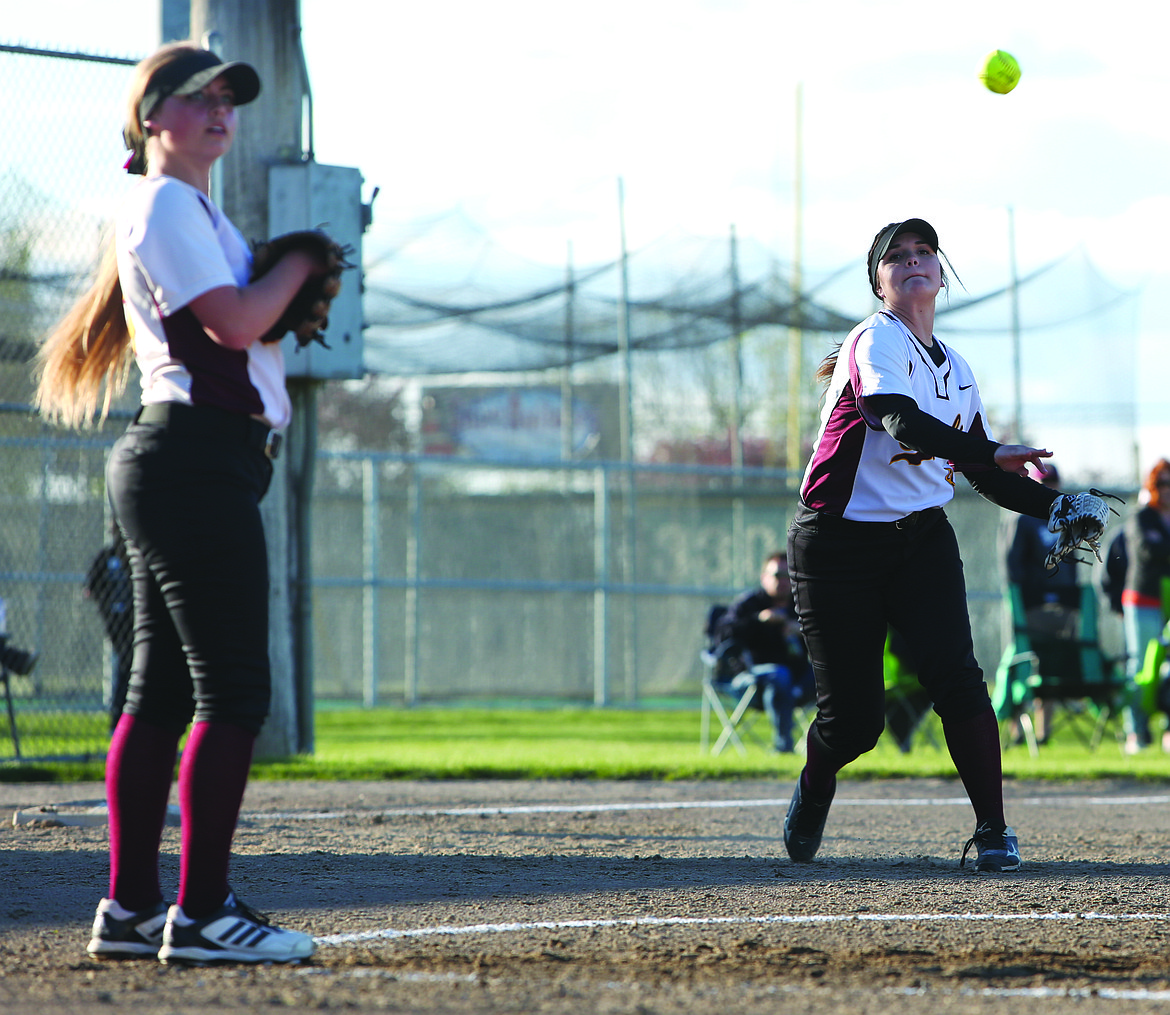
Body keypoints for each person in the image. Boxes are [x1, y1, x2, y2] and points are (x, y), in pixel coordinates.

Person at [35, 43, 323, 964]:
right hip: (195, 461)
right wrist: (304, 262)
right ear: (151, 117)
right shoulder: (162, 200)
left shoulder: (185, 208)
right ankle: (199, 913)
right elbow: (234, 322)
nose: (222, 110)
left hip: (186, 461)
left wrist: (278, 294)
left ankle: (129, 908)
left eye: (229, 98)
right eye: (199, 97)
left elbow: (243, 323)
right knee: (233, 691)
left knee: (158, 692)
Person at [784, 218, 1105, 873]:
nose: (912, 261)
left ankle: (994, 830)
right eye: (895, 256)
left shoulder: (956, 369)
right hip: (837, 544)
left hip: (920, 538)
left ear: (939, 271)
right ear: (879, 282)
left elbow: (985, 474)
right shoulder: (874, 339)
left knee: (958, 679)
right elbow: (901, 421)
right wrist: (986, 450)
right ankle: (816, 780)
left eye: (923, 251)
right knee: (855, 725)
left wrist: (1056, 506)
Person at [1002, 464, 1079, 744]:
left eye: (1055, 482)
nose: (1052, 487)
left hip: (1062, 608)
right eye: (1045, 483)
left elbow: (1072, 563)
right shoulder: (1023, 519)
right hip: (1030, 609)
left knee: (1052, 666)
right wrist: (1023, 602)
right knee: (1021, 663)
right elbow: (1013, 565)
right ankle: (1016, 727)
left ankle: (1043, 731)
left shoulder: (1068, 519)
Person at [716, 552, 814, 752]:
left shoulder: (802, 606)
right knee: (779, 675)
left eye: (789, 576)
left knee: (836, 677)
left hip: (797, 682)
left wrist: (804, 631)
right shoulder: (749, 604)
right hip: (750, 682)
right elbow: (722, 634)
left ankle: (831, 750)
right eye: (777, 575)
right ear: (764, 578)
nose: (783, 581)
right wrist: (758, 620)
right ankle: (783, 747)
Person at [1119, 459, 1170, 753]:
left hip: (1168, 602)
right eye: (1161, 483)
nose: (1166, 490)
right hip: (1144, 601)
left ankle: (1166, 730)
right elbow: (1148, 551)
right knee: (1141, 665)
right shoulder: (1141, 518)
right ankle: (1135, 732)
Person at [83, 523, 134, 733]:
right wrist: (107, 604)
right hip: (115, 621)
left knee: (129, 667)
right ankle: (118, 718)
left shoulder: (136, 557)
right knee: (125, 665)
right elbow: (90, 589)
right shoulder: (107, 557)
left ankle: (124, 718)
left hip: (134, 621)